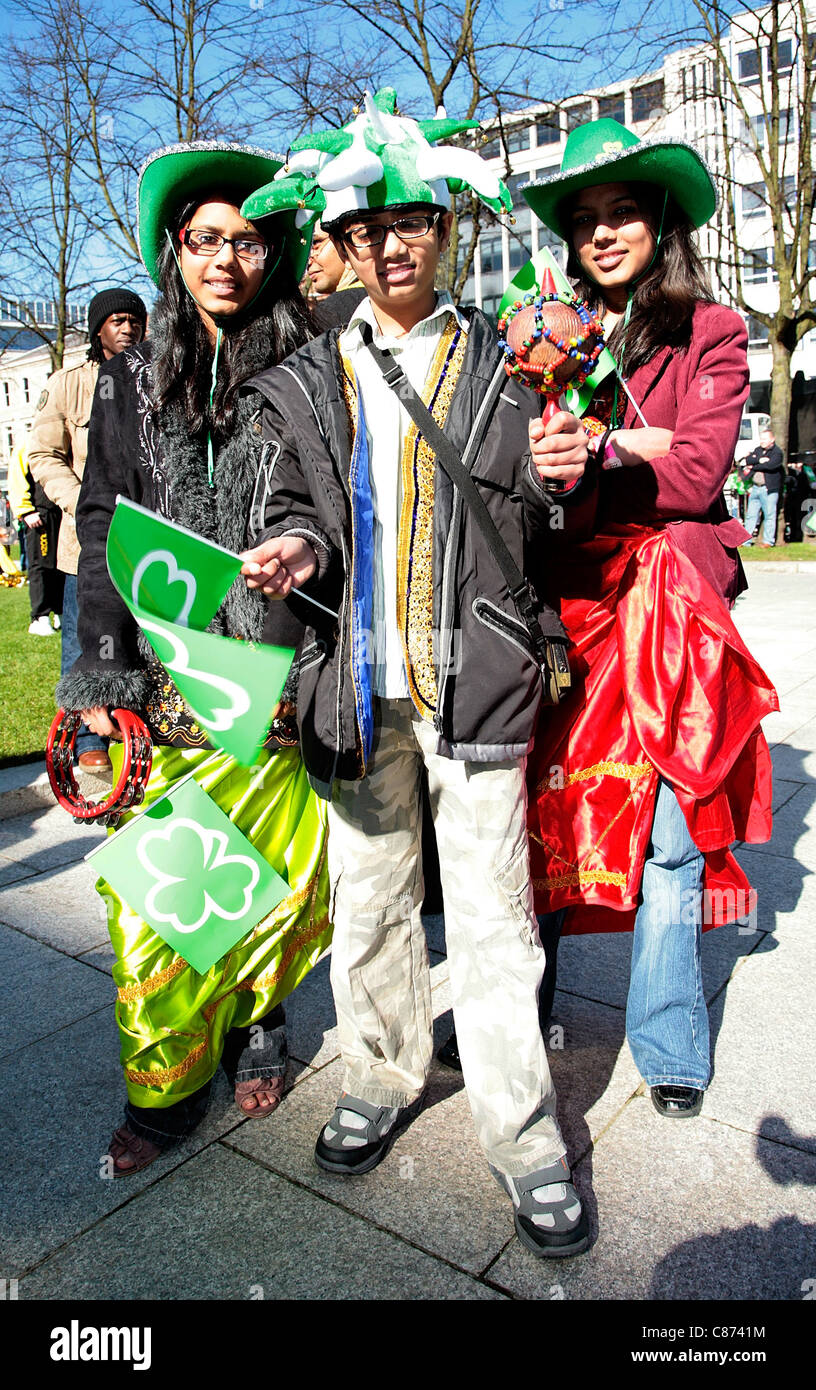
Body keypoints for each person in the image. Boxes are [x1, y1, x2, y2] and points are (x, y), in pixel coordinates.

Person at [239, 89, 591, 1259]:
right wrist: (293, 545)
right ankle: (384, 1073)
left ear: (448, 229)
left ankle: (526, 1136)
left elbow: (540, 512)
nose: (390, 242)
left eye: (413, 219)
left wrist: (558, 468)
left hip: (476, 670)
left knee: (493, 918)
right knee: (371, 901)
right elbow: (300, 508)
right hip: (354, 677)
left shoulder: (508, 364)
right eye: (366, 227)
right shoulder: (312, 376)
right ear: (339, 244)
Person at [56, 141, 332, 1175]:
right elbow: (99, 524)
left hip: (274, 677)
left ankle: (260, 1027)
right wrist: (97, 677)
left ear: (271, 252)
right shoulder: (125, 378)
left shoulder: (312, 364)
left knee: (267, 882)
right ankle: (163, 1085)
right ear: (174, 250)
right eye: (206, 239)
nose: (226, 259)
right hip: (170, 689)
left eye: (247, 240)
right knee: (157, 899)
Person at [517, 117, 777, 1120]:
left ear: (659, 220)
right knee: (548, 812)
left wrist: (604, 442)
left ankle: (669, 1039)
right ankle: (519, 1013)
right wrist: (614, 448)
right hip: (570, 603)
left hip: (668, 606)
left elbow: (700, 471)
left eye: (621, 212)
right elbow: (544, 486)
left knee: (670, 831)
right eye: (584, 221)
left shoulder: (710, 328)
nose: (601, 233)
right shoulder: (544, 332)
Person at [28, 288, 147, 772]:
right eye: (117, 320)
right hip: (87, 544)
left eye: (135, 320)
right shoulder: (68, 384)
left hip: (147, 542)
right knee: (85, 640)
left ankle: (139, 724)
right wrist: (84, 503)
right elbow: (41, 453)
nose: (128, 328)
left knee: (139, 641)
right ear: (97, 329)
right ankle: (85, 740)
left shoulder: (159, 375)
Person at [6, 440, 63, 634]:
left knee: (60, 565)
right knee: (41, 565)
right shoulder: (27, 444)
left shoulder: (55, 441)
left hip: (57, 512)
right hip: (39, 515)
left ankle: (60, 612)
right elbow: (16, 478)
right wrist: (25, 510)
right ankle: (39, 617)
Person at [740, 428, 785, 547]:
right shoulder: (758, 450)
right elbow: (749, 459)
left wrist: (754, 466)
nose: (762, 441)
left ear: (772, 439)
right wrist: (760, 460)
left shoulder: (777, 452)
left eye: (765, 439)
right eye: (761, 439)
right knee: (750, 515)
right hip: (755, 487)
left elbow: (771, 466)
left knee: (769, 514)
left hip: (768, 489)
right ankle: (746, 541)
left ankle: (768, 541)